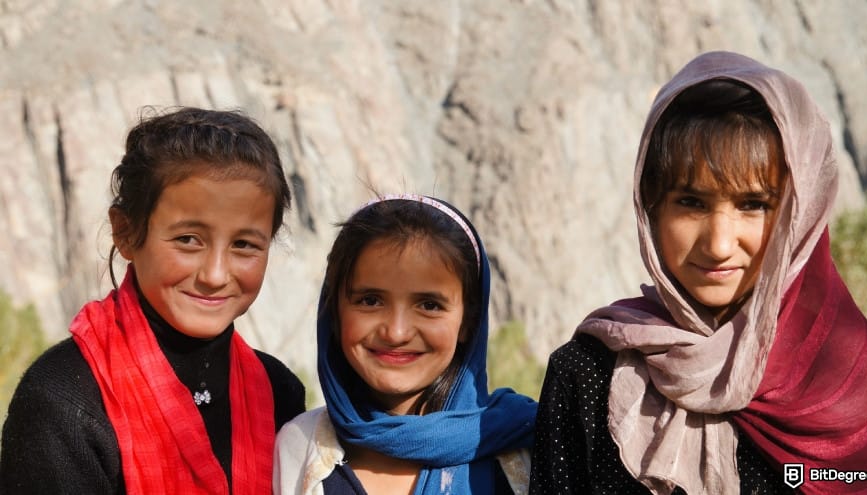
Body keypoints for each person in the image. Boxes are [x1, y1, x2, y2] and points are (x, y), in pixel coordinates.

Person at [529, 51, 867, 495]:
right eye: (691, 203)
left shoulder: (857, 390)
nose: (718, 244)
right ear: (651, 207)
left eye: (753, 204)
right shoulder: (587, 374)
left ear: (801, 216)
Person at [0, 107, 307, 494]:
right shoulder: (64, 398)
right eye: (187, 239)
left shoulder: (277, 392)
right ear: (126, 233)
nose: (214, 274)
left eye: (244, 245)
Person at [274, 194, 537, 495]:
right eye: (370, 301)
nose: (396, 332)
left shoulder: (524, 450)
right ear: (334, 311)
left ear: (468, 321)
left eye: (429, 305)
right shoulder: (300, 448)